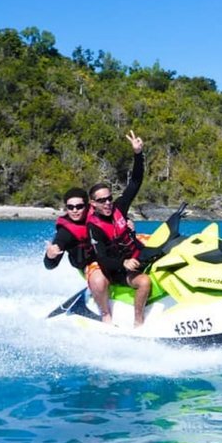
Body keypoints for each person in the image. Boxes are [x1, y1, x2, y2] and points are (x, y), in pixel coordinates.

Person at [87, 130, 152, 328]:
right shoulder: (94, 227)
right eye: (102, 200)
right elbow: (102, 258)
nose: (107, 203)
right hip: (117, 268)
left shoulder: (119, 208)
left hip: (137, 255)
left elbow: (135, 183)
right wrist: (123, 263)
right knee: (144, 282)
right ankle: (138, 322)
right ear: (93, 203)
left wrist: (138, 154)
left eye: (109, 198)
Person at [44, 187, 113, 323]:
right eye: (70, 207)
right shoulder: (65, 233)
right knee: (99, 281)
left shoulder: (99, 214)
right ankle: (106, 315)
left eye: (79, 206)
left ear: (87, 206)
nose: (75, 210)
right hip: (90, 264)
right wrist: (50, 256)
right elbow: (50, 265)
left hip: (110, 254)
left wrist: (128, 223)